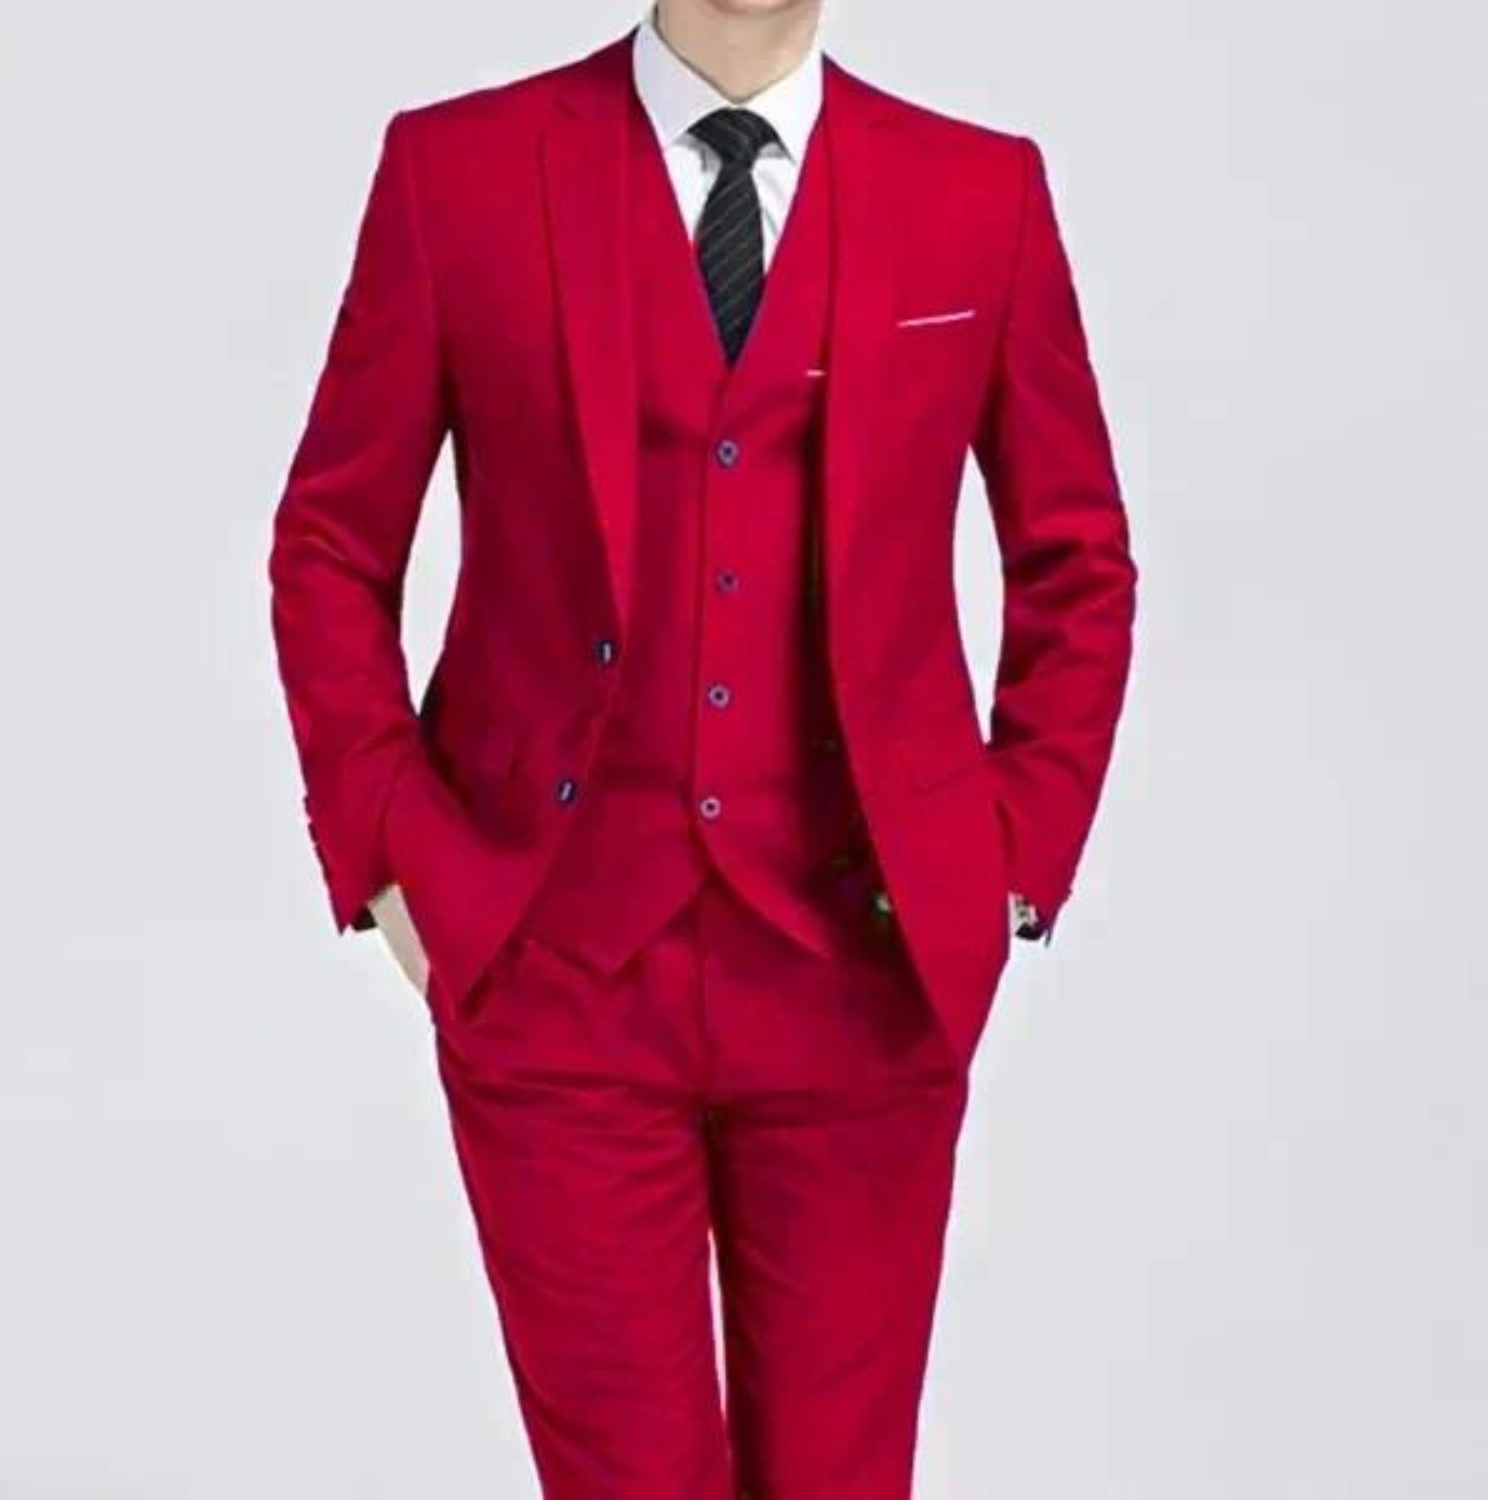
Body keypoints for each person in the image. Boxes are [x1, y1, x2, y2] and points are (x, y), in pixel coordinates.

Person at [267, 2, 1136, 1493]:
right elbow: (331, 548)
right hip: (557, 970)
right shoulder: (456, 174)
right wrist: (397, 860)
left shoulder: (979, 193)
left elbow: (1077, 562)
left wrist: (1004, 864)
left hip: (866, 975)